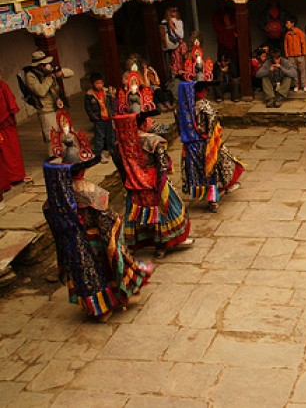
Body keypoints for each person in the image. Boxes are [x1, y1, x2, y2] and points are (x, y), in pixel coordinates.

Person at [42, 153, 153, 322]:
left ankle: (97, 309)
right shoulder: (92, 192)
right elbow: (105, 220)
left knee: (85, 276)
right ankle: (108, 304)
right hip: (93, 241)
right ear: (84, 169)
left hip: (72, 244)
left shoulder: (56, 198)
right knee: (102, 270)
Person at [112, 111, 193, 259]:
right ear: (143, 124)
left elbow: (120, 166)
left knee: (136, 213)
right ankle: (161, 246)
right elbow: (162, 163)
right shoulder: (154, 141)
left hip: (134, 185)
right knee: (162, 212)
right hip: (153, 183)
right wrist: (161, 181)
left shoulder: (121, 145)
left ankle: (137, 244)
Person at [178, 81, 245, 213]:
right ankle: (213, 199)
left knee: (198, 172)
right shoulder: (205, 106)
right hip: (205, 143)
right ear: (203, 91)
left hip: (190, 146)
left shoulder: (182, 108)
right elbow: (213, 125)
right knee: (212, 169)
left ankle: (208, 196)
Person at [23, 50, 74, 156]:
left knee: (67, 131)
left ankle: (71, 154)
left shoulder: (50, 70)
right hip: (46, 110)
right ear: (38, 65)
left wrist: (60, 72)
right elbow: (41, 91)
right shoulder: (30, 76)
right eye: (44, 64)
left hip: (59, 107)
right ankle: (55, 158)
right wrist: (49, 78)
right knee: (52, 136)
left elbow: (71, 73)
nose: (47, 65)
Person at [0, 74, 25, 210]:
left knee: (10, 151)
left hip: (5, 125)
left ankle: (16, 176)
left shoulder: (2, 85)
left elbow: (9, 102)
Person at [84, 73, 116, 163]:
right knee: (99, 137)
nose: (99, 85)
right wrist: (93, 116)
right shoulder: (89, 95)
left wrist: (112, 113)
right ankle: (98, 154)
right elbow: (88, 107)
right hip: (99, 118)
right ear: (93, 84)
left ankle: (112, 151)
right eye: (97, 83)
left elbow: (111, 104)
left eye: (101, 83)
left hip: (108, 117)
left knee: (111, 135)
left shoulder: (106, 92)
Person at [160, 7, 187, 79]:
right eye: (172, 11)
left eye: (176, 11)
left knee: (181, 60)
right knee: (173, 62)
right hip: (170, 45)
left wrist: (173, 27)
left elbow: (181, 35)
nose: (174, 12)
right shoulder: (164, 22)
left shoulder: (179, 21)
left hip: (178, 44)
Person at [284, 16, 306, 92]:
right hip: (291, 56)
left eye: (287, 23)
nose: (286, 25)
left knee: (302, 71)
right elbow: (285, 45)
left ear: (292, 24)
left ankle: (305, 85)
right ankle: (296, 85)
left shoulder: (299, 32)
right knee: (294, 72)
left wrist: (303, 53)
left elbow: (303, 44)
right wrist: (287, 55)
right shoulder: (287, 34)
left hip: (300, 55)